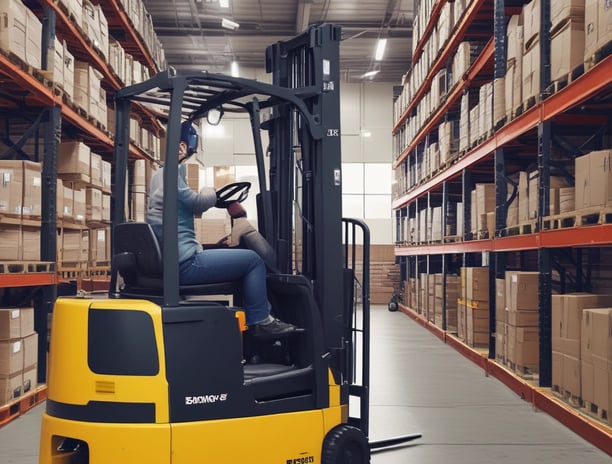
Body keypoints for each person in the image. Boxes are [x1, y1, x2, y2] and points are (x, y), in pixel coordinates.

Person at [147, 121, 299, 338]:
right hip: (185, 264)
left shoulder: (159, 175)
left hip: (176, 259)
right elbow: (197, 202)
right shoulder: (170, 173)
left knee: (236, 258)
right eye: (189, 149)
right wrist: (212, 192)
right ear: (182, 146)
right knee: (253, 260)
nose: (189, 153)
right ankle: (261, 320)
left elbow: (184, 204)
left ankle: (250, 320)